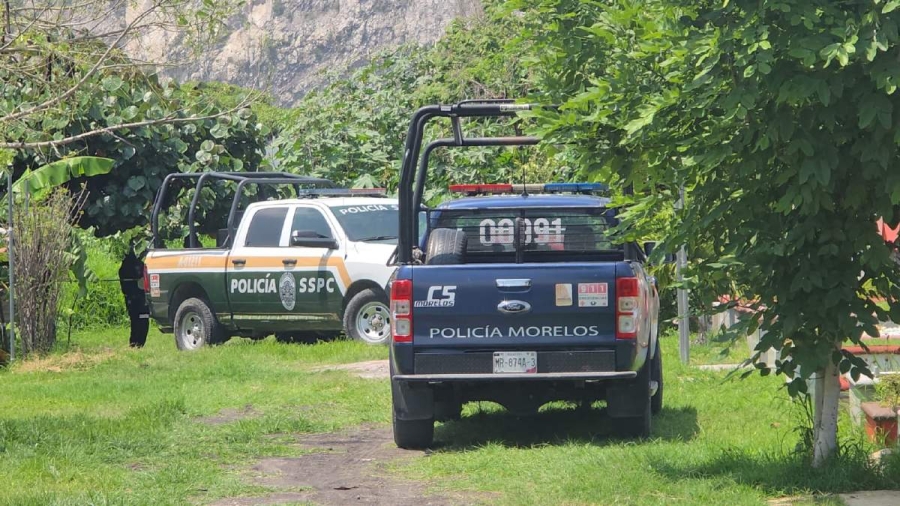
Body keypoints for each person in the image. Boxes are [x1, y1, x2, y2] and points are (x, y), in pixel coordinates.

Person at [118, 246, 149, 348]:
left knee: (136, 320)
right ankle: (137, 342)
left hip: (133, 297)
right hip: (138, 297)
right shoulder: (136, 265)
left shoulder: (125, 267)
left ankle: (135, 342)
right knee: (140, 320)